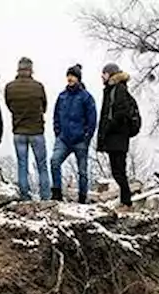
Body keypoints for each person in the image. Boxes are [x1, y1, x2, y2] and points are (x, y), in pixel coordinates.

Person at [49, 64, 97, 203]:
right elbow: (56, 116)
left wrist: (87, 136)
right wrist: (58, 132)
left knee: (82, 171)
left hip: (80, 139)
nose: (70, 78)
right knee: (54, 162)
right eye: (68, 75)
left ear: (78, 79)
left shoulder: (86, 97)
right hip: (63, 139)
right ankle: (57, 193)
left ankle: (82, 198)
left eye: (73, 76)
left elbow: (92, 119)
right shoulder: (62, 96)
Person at [4, 56, 50, 201]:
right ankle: (45, 196)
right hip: (36, 131)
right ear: (30, 69)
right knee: (42, 165)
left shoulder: (10, 87)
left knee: (22, 164)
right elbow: (44, 106)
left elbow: (9, 106)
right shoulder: (38, 86)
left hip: (19, 131)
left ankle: (25, 196)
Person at [96, 62, 140, 209]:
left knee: (119, 171)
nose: (102, 76)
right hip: (115, 137)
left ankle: (127, 202)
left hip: (118, 137)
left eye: (104, 73)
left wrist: (109, 127)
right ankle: (125, 200)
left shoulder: (118, 89)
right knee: (118, 171)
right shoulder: (112, 90)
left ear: (110, 74)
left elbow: (120, 113)